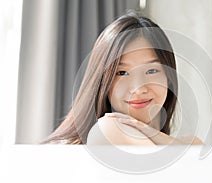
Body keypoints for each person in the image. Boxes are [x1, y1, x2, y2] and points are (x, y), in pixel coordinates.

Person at [41, 12, 202, 145]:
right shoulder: (108, 129)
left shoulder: (168, 143)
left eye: (151, 70)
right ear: (101, 82)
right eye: (122, 73)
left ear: (169, 77)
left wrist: (148, 131)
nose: (138, 88)